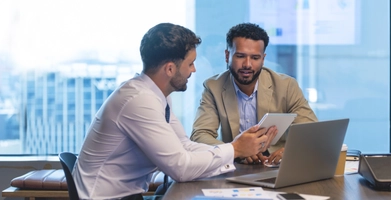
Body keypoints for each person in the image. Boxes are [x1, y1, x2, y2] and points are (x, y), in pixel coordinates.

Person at [72, 23, 277, 199]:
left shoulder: (156, 94)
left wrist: (234, 149)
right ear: (170, 69)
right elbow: (180, 168)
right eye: (190, 63)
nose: (194, 70)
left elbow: (184, 146)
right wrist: (235, 149)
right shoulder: (139, 101)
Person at [190, 23, 318, 166]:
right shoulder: (213, 87)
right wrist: (236, 150)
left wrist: (291, 150)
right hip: (235, 167)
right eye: (240, 56)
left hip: (276, 166)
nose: (247, 64)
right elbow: (200, 135)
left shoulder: (286, 86)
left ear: (263, 59)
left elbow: (311, 131)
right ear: (227, 56)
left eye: (255, 58)